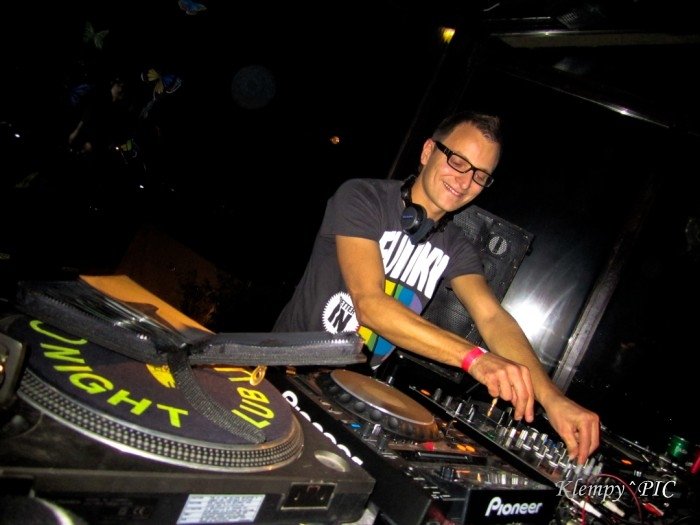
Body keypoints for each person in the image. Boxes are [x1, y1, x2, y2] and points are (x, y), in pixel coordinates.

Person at [273, 110, 600, 464]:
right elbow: (370, 303)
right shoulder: (362, 197)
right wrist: (474, 359)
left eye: (479, 175)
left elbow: (492, 318)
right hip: (286, 376)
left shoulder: (456, 247)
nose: (464, 181)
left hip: (355, 396)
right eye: (458, 161)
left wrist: (552, 398)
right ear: (428, 151)